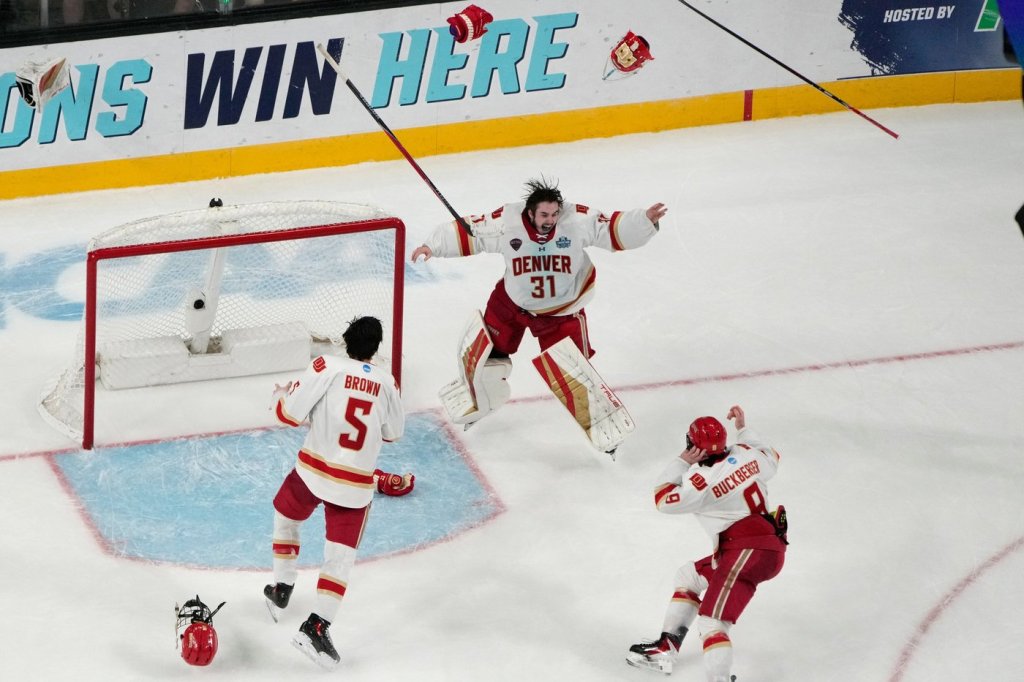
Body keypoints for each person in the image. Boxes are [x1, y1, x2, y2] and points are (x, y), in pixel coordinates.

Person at [411, 177, 666, 450]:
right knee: (487, 356)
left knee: (574, 373)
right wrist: (432, 246)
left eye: (554, 214)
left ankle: (603, 428)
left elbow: (611, 229)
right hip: (512, 303)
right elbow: (473, 232)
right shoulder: (507, 222)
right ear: (530, 212)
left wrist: (644, 222)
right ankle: (483, 398)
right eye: (544, 214)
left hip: (561, 312)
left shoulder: (577, 220)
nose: (550, 220)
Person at [262, 316, 412, 670]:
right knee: (339, 558)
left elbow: (288, 415)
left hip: (313, 472)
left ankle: (282, 586)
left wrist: (281, 396)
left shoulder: (325, 366)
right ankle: (317, 626)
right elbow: (394, 433)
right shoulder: (387, 382)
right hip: (355, 485)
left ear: (346, 341)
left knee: (286, 517)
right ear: (376, 348)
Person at [626, 405, 787, 682]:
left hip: (747, 550)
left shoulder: (701, 482)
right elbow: (772, 454)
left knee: (712, 622)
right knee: (688, 577)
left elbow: (663, 498)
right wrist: (743, 429)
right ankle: (666, 648)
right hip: (761, 546)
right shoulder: (747, 453)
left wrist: (682, 461)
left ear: (693, 445)